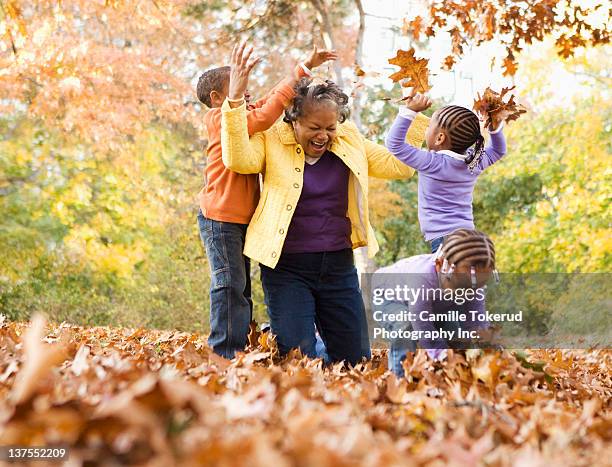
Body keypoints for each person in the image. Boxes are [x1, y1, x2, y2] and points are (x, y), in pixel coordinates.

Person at [220, 69, 430, 364]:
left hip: (338, 266)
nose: (324, 136)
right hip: (286, 267)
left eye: (330, 127)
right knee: (297, 359)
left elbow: (400, 166)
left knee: (355, 360)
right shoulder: (272, 139)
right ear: (294, 120)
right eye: (315, 127)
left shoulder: (348, 139)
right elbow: (238, 159)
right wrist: (234, 101)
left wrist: (411, 116)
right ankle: (292, 336)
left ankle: (315, 345)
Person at [195, 42, 337, 358]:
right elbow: (266, 114)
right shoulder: (218, 119)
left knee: (241, 287)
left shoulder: (244, 113)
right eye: (237, 84)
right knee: (229, 285)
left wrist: (305, 66)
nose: (246, 91)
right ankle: (223, 353)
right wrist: (240, 95)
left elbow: (274, 97)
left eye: (245, 84)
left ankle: (240, 347)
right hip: (219, 218)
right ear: (217, 98)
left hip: (242, 218)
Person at [385, 92, 508, 253]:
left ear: (439, 138)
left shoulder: (432, 163)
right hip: (469, 236)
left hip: (445, 240)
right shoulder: (473, 162)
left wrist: (410, 111)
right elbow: (498, 151)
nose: (426, 130)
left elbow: (394, 144)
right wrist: (495, 128)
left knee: (449, 277)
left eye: (429, 127)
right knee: (467, 277)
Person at [371, 229, 498, 376]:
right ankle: (400, 377)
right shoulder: (422, 277)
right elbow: (424, 330)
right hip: (388, 297)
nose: (464, 295)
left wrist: (489, 349)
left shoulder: (472, 284)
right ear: (440, 265)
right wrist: (443, 357)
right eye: (458, 288)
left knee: (456, 337)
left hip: (433, 305)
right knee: (406, 326)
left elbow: (477, 324)